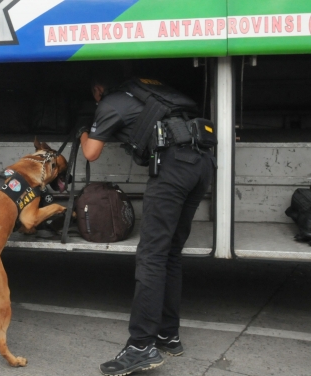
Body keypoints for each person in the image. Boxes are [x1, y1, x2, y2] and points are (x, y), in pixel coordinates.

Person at [77, 70, 215, 376]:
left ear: (98, 87)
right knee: (170, 253)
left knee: (151, 255)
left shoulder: (110, 103)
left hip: (174, 167)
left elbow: (91, 152)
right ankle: (168, 335)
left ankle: (141, 346)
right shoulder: (150, 92)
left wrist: (83, 130)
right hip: (202, 162)